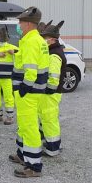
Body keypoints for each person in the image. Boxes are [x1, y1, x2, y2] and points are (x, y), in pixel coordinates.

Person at [8, 7, 49, 178]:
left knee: (29, 127)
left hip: (28, 92)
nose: (19, 24)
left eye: (20, 21)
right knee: (25, 125)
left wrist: (23, 87)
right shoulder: (33, 39)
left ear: (29, 24)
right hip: (33, 92)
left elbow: (31, 70)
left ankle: (33, 166)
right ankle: (24, 155)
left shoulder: (31, 41)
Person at [38, 21, 66, 156]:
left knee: (49, 120)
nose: (43, 39)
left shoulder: (54, 54)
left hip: (51, 92)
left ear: (52, 39)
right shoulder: (52, 51)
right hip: (50, 93)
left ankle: (52, 149)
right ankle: (52, 143)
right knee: (48, 119)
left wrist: (49, 89)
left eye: (45, 37)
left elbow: (54, 76)